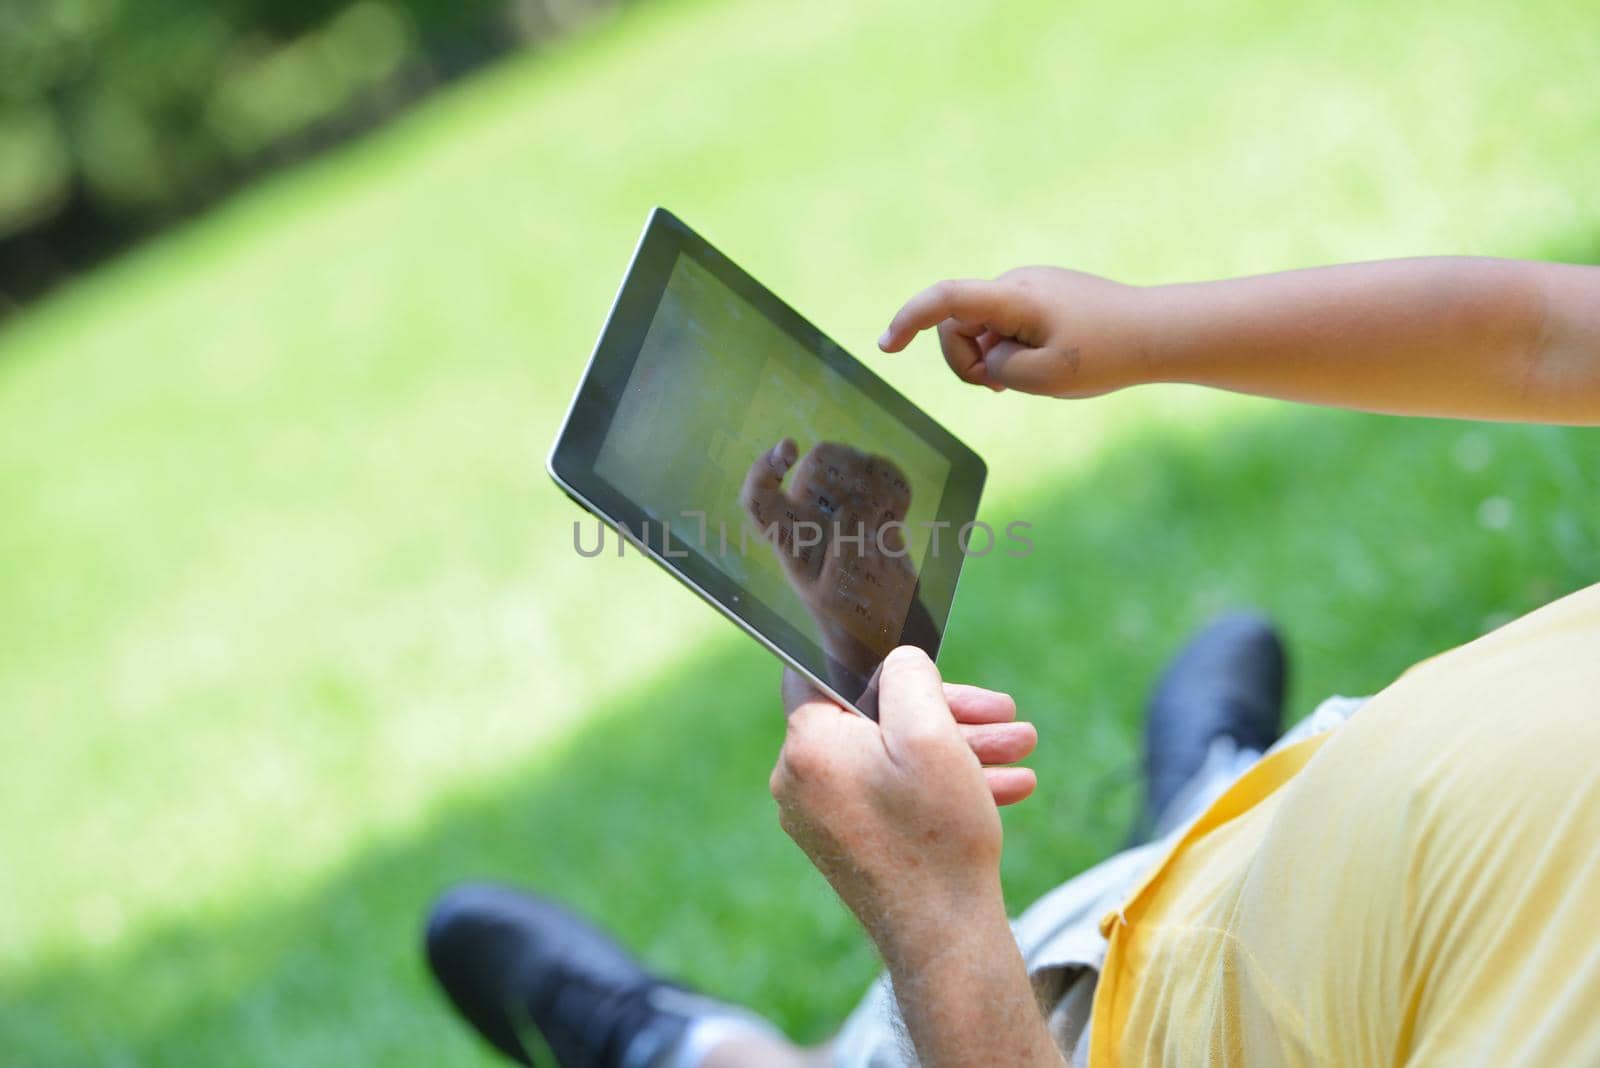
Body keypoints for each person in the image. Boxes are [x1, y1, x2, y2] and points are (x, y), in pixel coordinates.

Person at [426, 256, 1600, 1067]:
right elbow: (1549, 340)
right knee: (1204, 857)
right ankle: (1204, 800)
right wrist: (1143, 331)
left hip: (1104, 1038)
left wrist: (935, 915)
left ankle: (677, 1043)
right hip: (1275, 847)